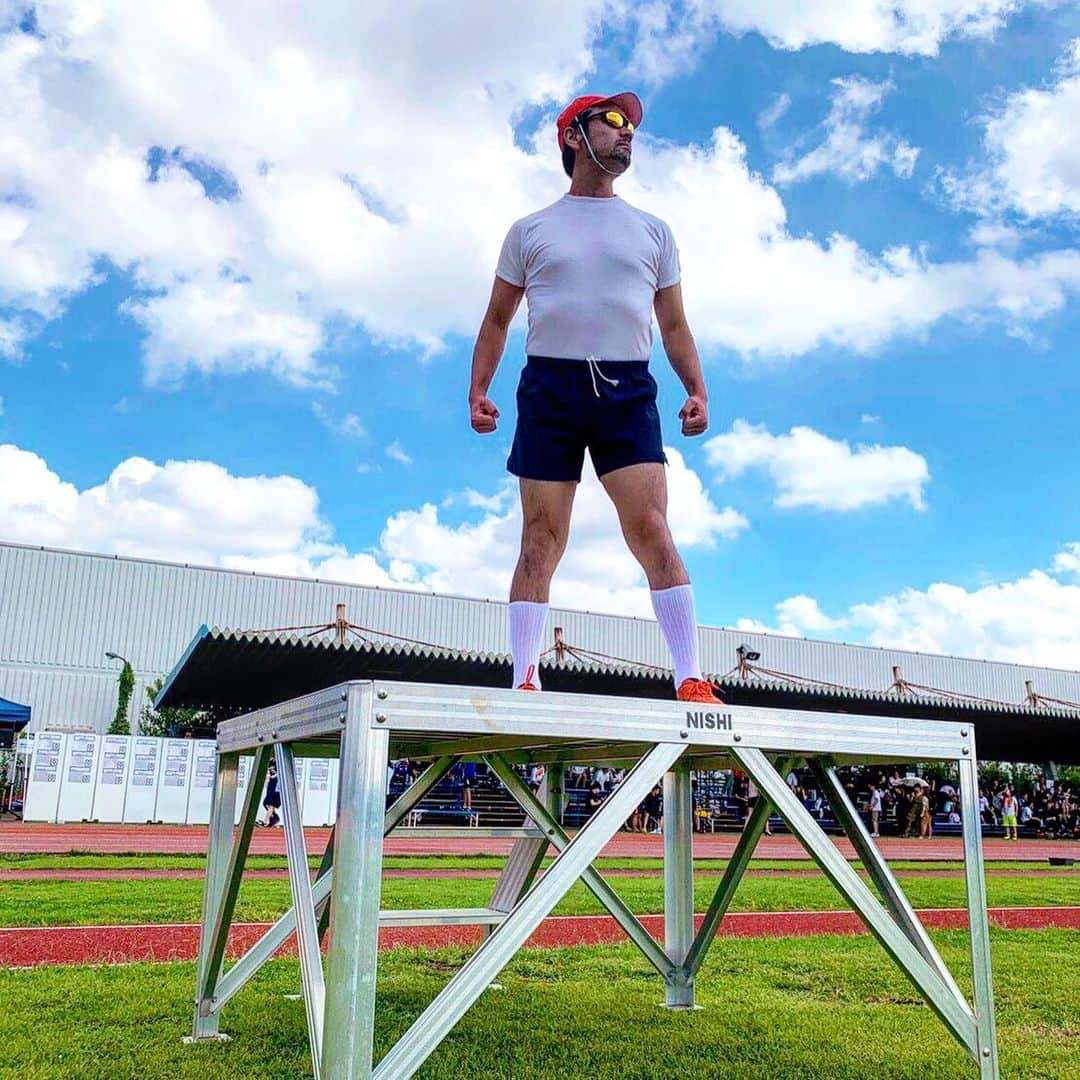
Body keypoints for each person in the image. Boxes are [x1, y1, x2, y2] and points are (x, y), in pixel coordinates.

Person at [469, 91, 722, 706]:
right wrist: (478, 390)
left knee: (652, 529)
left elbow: (675, 324)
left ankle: (689, 676)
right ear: (573, 137)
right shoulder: (530, 230)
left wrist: (697, 388)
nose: (627, 131)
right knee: (540, 535)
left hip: (626, 388)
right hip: (549, 388)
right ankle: (525, 679)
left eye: (631, 124)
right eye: (612, 121)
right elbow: (499, 318)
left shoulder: (653, 231)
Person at [259, 760, 281, 828]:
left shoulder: (279, 766)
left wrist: (271, 773)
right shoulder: (271, 763)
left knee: (271, 805)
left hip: (277, 791)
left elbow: (275, 775)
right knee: (266, 804)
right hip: (272, 789)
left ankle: (266, 821)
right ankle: (274, 818)